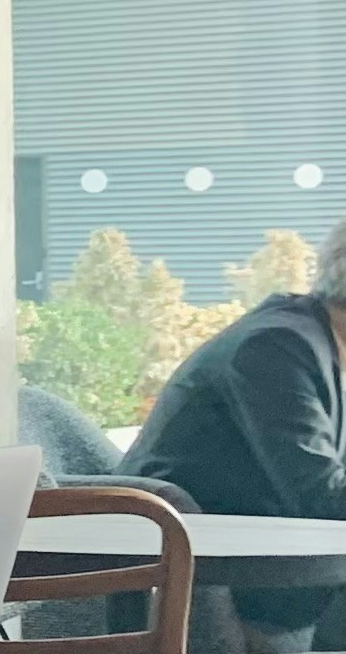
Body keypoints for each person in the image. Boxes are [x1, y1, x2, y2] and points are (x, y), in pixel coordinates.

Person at [127, 222, 346, 530]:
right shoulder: (276, 348)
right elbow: (322, 499)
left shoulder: (316, 342)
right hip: (182, 554)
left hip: (257, 544)